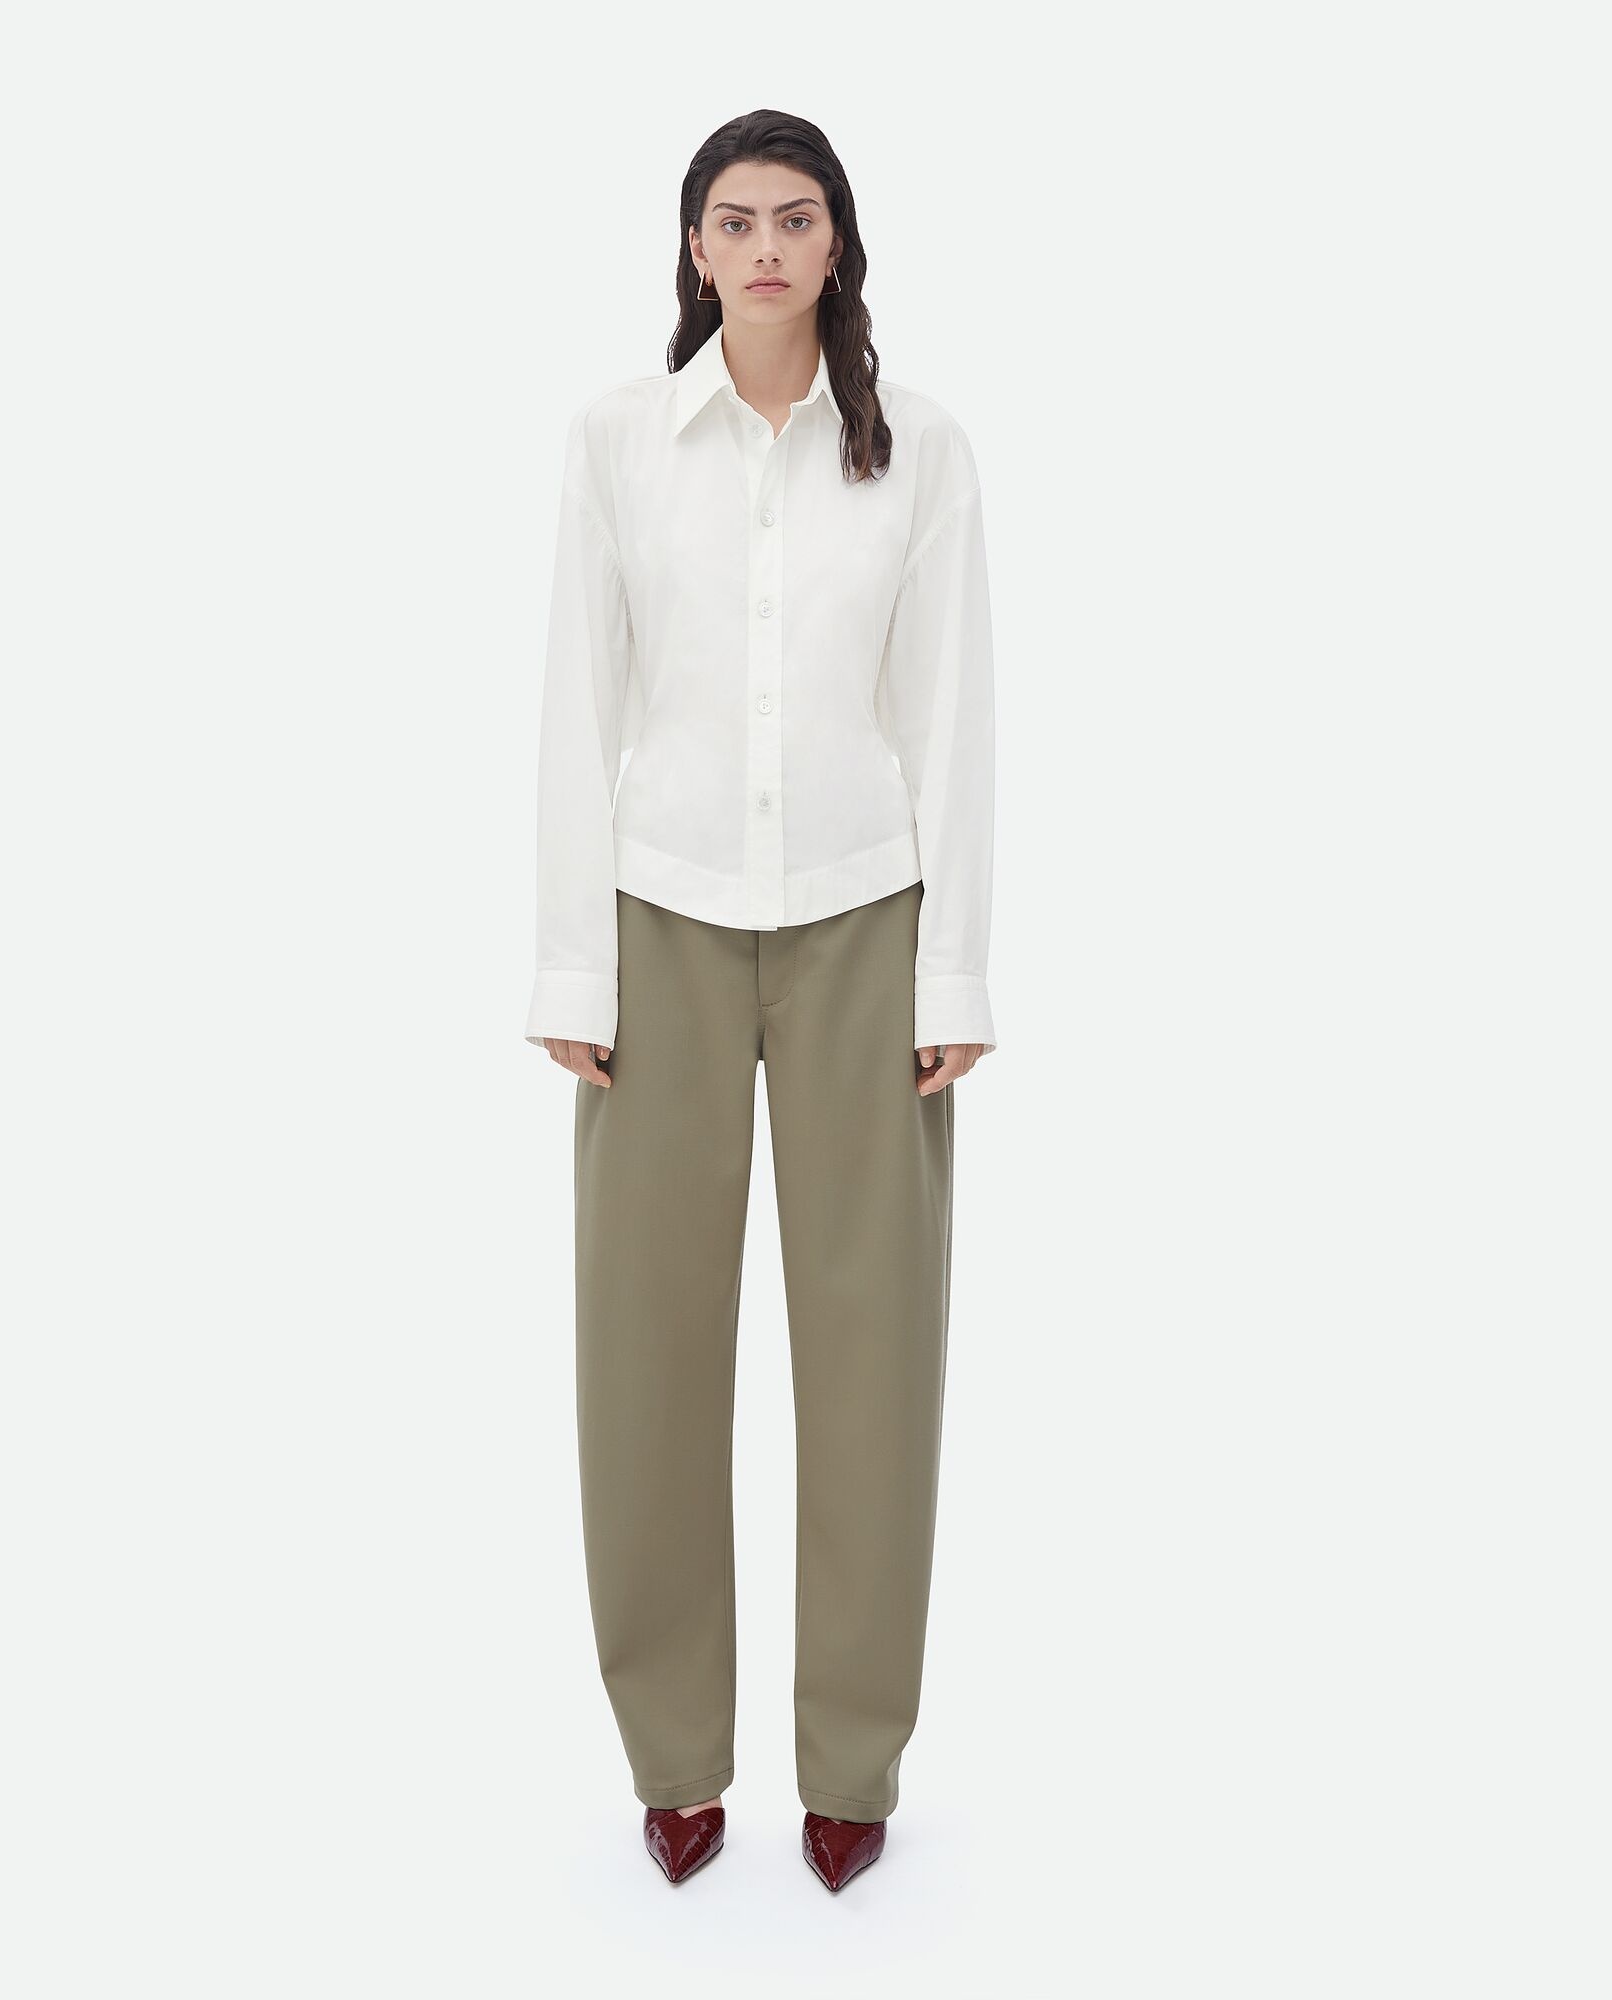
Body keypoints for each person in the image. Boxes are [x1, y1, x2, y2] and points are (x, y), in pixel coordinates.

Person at [523, 109, 998, 1894]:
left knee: (875, 1359)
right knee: (641, 1354)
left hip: (867, 922)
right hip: (658, 922)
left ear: (837, 243)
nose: (768, 248)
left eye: (797, 219)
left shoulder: (920, 452)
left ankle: (852, 1760)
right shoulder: (615, 446)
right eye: (736, 221)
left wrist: (953, 969)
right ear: (695, 250)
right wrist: (572, 965)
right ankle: (674, 1758)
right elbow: (578, 703)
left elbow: (951, 709)